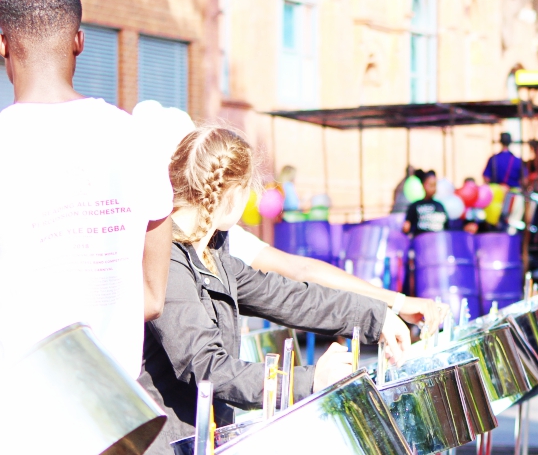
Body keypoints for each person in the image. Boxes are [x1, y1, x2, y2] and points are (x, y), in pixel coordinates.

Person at [128, 126, 411, 455]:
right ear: (231, 194)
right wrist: (309, 381)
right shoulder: (167, 260)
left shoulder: (215, 259)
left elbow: (292, 298)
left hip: (198, 447)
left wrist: (376, 316)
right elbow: (206, 366)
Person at [132, 103, 449, 335]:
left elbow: (296, 285)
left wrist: (387, 306)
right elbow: (206, 364)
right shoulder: (168, 249)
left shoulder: (217, 241)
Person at [0, 0, 173, 379]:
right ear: (79, 41)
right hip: (115, 412)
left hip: (20, 410)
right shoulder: (138, 138)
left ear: (3, 43)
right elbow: (151, 298)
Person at [403, 170, 449, 236]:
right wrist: (406, 227)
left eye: (434, 185)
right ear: (423, 185)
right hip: (421, 243)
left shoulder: (440, 206)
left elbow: (447, 228)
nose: (433, 188)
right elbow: (407, 226)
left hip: (438, 243)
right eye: (431, 185)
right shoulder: (415, 205)